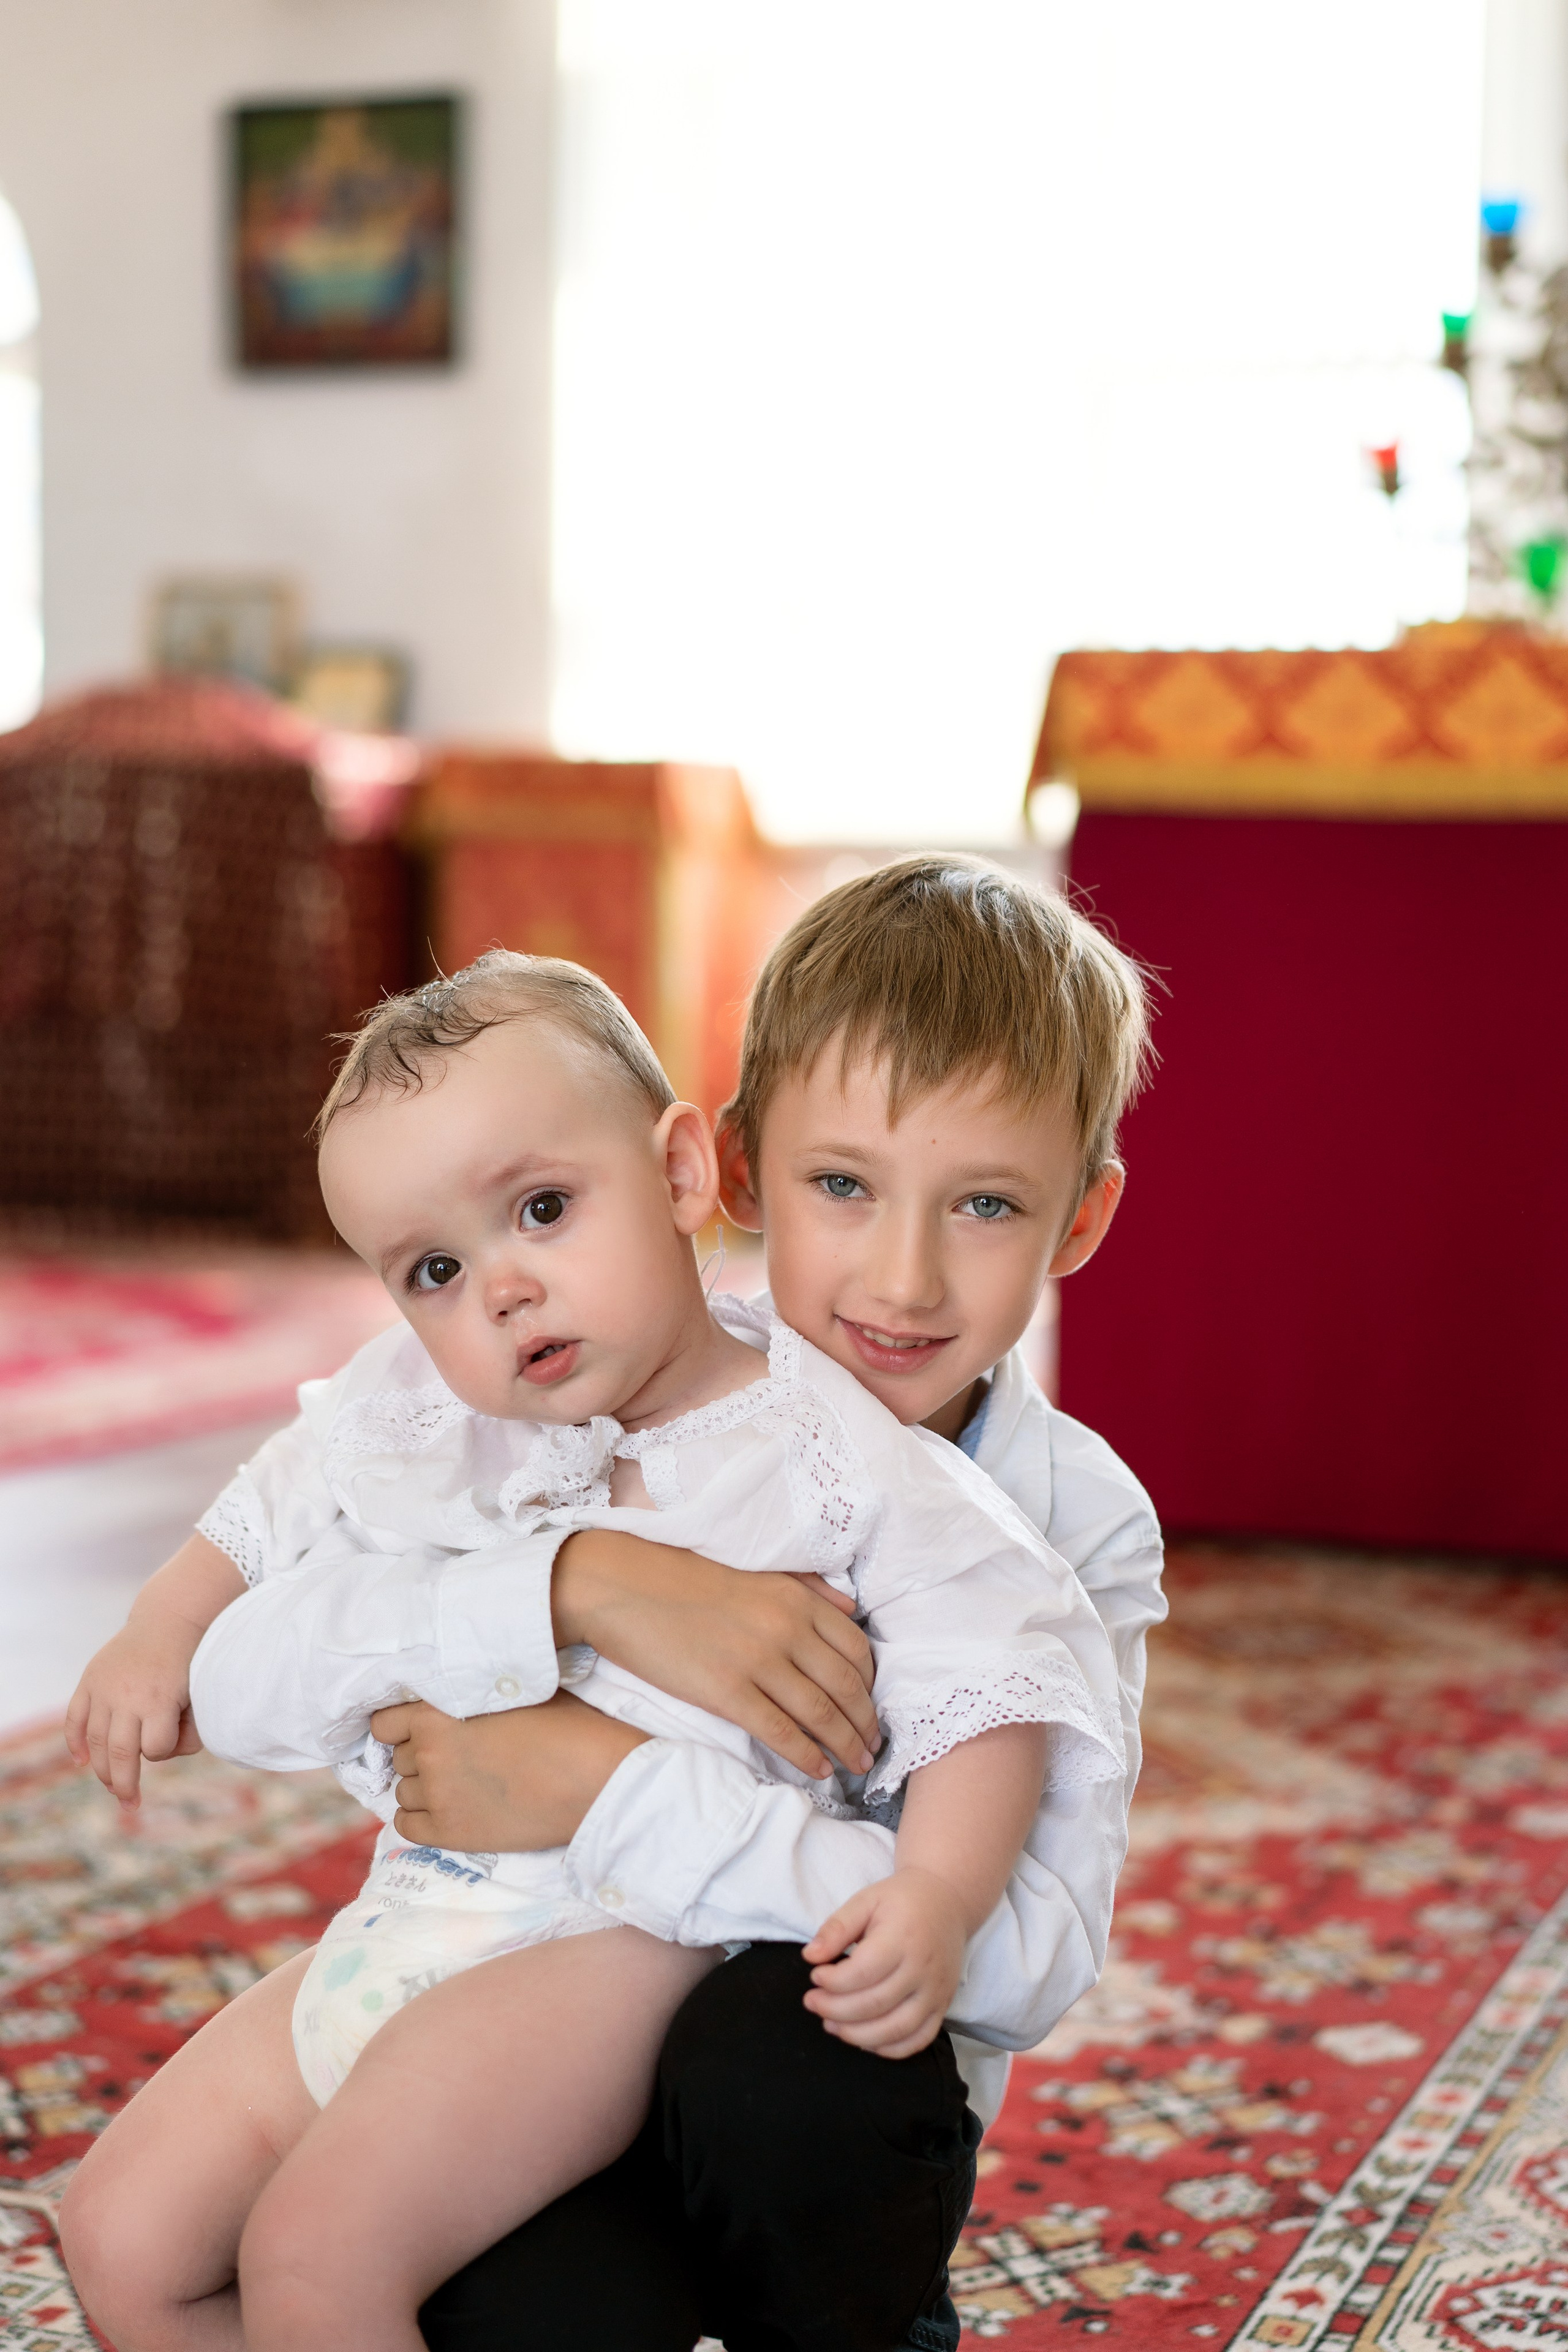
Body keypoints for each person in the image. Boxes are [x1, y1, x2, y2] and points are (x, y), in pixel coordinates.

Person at [59, 941, 1128, 2352]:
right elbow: (276, 1506)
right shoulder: (443, 1412)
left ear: (683, 1177)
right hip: (409, 1917)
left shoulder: (838, 1457)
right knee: (121, 2238)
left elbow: (994, 1683)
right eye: (434, 1269)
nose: (499, 1289)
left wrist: (931, 1889)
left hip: (604, 1951)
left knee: (321, 2258)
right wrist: (162, 1623)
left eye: (543, 1212)